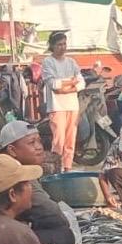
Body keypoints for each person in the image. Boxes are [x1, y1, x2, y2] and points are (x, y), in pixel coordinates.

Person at [0, 120, 76, 244]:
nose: (39, 147)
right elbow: (53, 215)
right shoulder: (17, 174)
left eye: (39, 141)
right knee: (63, 236)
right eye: (31, 142)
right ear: (12, 150)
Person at [41, 31, 84, 171]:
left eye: (64, 44)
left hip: (72, 105)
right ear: (52, 46)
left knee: (71, 140)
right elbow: (53, 84)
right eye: (59, 44)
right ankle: (56, 168)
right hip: (57, 106)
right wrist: (71, 82)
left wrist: (66, 88)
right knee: (59, 140)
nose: (62, 47)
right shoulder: (48, 62)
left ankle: (67, 167)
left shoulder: (71, 62)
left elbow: (81, 83)